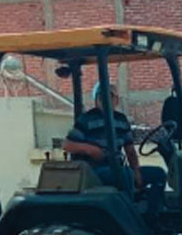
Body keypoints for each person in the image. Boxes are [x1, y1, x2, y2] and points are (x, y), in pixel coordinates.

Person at [63, 82, 166, 223]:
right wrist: (91, 149)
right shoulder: (86, 120)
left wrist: (136, 171)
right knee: (125, 174)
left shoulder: (121, 120)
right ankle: (130, 220)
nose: (106, 100)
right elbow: (68, 145)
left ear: (116, 100)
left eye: (110, 97)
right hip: (94, 171)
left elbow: (129, 150)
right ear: (96, 100)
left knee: (158, 174)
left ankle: (151, 218)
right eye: (101, 97)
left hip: (117, 168)